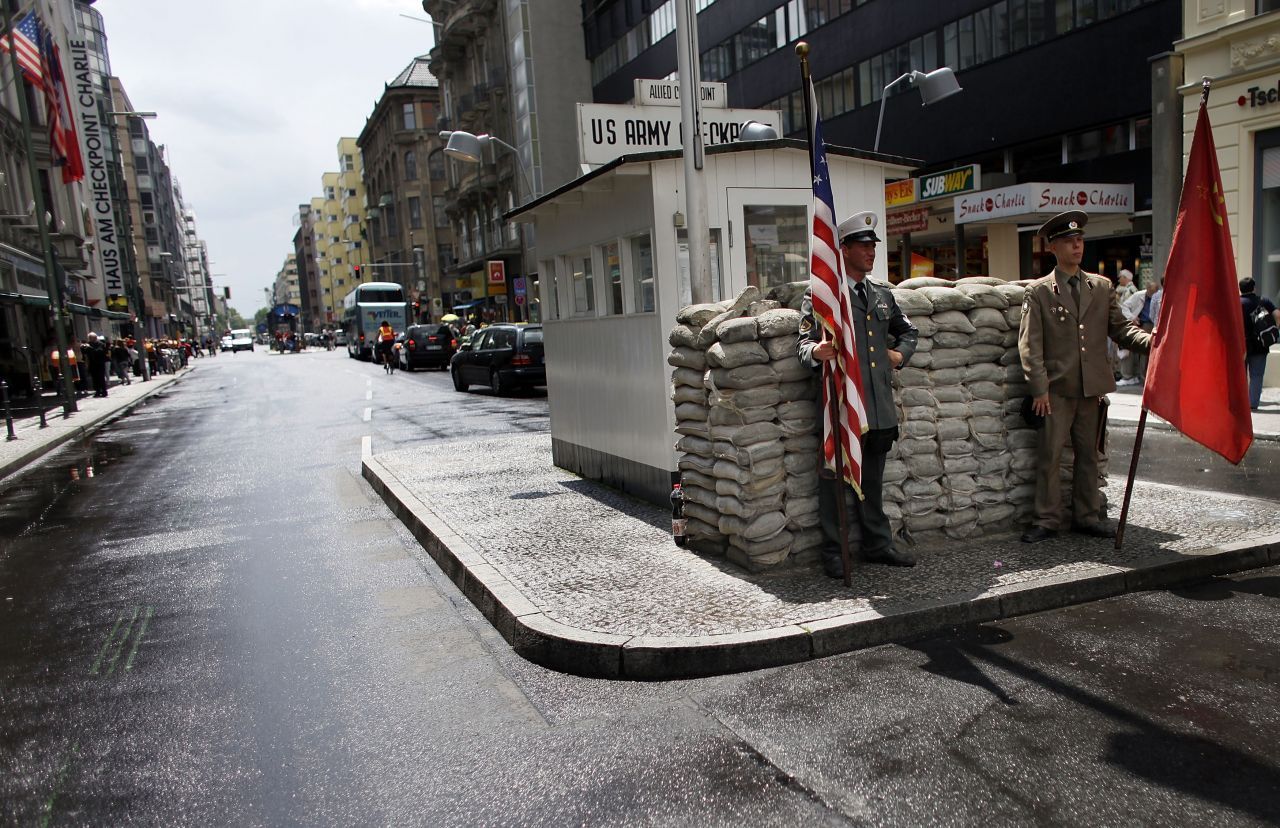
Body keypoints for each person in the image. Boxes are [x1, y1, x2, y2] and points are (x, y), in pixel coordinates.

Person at [1018, 211, 1153, 543]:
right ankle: (1047, 518)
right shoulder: (1039, 292)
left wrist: (1152, 343)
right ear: (1053, 247)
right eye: (1068, 241)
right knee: (1050, 456)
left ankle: (1087, 516)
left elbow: (1121, 330)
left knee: (1088, 456)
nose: (1077, 246)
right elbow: (1030, 344)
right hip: (1056, 390)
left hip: (1091, 388)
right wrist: (1039, 388)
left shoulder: (1101, 286)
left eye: (1079, 241)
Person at [798, 210, 918, 575]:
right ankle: (835, 551)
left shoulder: (881, 294)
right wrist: (816, 353)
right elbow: (802, 343)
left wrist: (898, 355)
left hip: (876, 405)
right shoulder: (823, 296)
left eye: (873, 246)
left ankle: (877, 544)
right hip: (840, 406)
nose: (871, 252)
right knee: (835, 480)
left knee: (874, 481)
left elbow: (908, 332)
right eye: (863, 246)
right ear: (844, 249)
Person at [1241, 277, 1279, 410]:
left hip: (1242, 344)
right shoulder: (1263, 301)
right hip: (1260, 344)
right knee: (1257, 375)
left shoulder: (1236, 303)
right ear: (1254, 288)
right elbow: (1277, 315)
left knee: (1240, 374)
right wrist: (1274, 330)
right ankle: (1253, 404)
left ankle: (1240, 402)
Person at [83, 332, 109, 398]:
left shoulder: (100, 344)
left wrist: (92, 349)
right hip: (92, 364)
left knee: (101, 378)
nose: (89, 339)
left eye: (90, 338)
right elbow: (85, 354)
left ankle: (104, 391)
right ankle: (97, 391)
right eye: (89, 338)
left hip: (100, 363)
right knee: (94, 378)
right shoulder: (88, 345)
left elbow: (101, 351)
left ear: (95, 338)